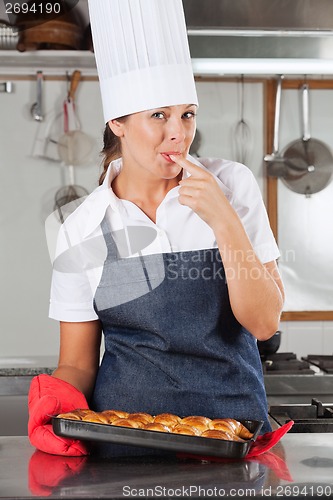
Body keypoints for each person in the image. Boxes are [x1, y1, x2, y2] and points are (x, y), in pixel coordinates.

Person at [28, 0, 284, 457]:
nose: (179, 133)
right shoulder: (84, 226)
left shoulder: (232, 185)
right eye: (159, 115)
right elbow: (78, 363)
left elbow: (263, 324)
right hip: (122, 444)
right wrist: (54, 404)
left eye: (187, 114)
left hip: (230, 438)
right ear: (118, 124)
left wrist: (223, 219)